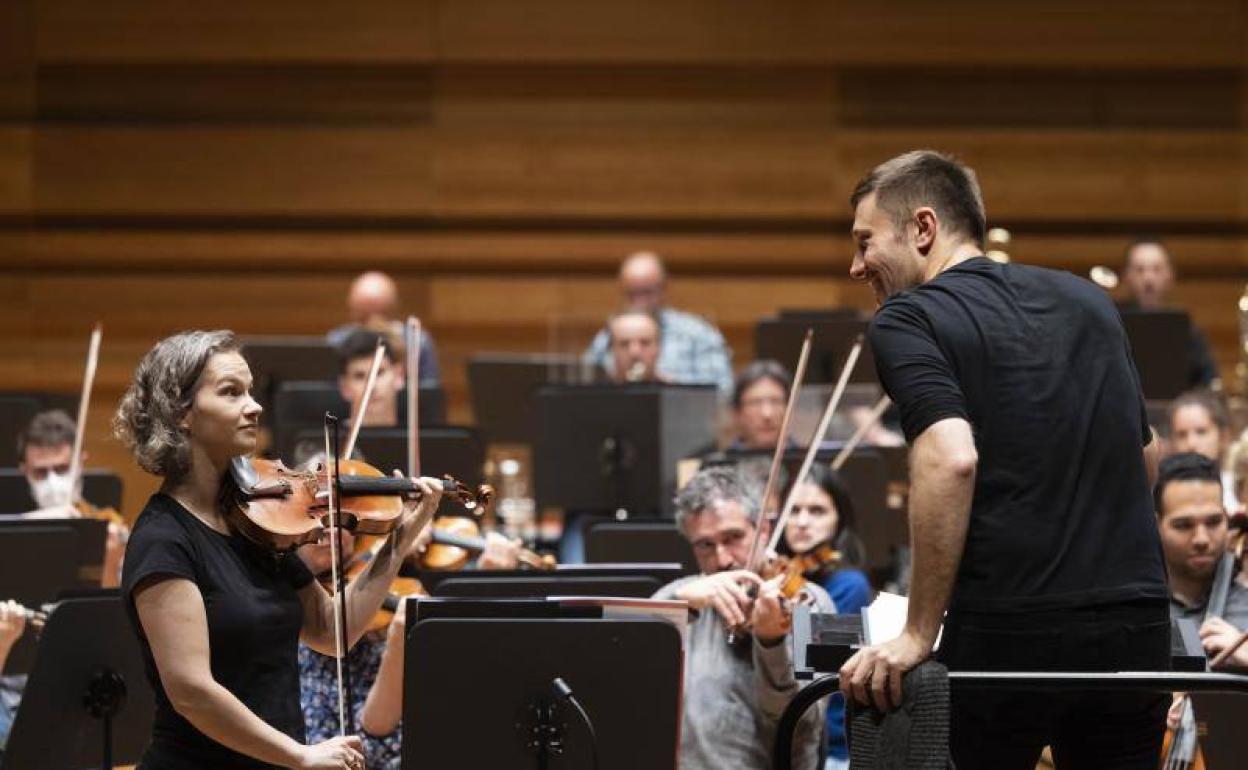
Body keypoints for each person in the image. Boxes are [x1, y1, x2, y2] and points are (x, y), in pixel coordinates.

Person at [839, 150, 1169, 768]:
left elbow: (951, 458)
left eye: (865, 241)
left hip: (1010, 627)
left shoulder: (908, 317)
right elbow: (1145, 456)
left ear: (923, 229)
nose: (857, 266)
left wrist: (916, 633)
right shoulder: (1088, 301)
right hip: (1136, 622)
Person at [114, 329, 442, 770]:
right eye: (232, 392)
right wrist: (300, 756)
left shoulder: (257, 521)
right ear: (182, 414)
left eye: (250, 390)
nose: (254, 405)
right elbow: (192, 691)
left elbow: (332, 630)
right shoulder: (163, 540)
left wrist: (398, 539)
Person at [652, 466, 831, 770]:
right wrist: (681, 604)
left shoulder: (816, 602)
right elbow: (626, 658)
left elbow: (805, 724)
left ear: (763, 530)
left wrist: (771, 642)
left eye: (733, 537)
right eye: (705, 545)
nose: (722, 559)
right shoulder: (679, 595)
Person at [297, 526, 520, 770]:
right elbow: (362, 751)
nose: (330, 530)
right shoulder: (306, 618)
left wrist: (485, 587)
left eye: (342, 517)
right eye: (313, 516)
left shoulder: (390, 560)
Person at [779, 465, 870, 770]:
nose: (802, 522)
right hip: (789, 735)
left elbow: (817, 679)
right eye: (793, 511)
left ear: (838, 520)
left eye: (817, 511)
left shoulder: (848, 586)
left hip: (829, 748)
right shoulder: (782, 574)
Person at [583, 251, 733, 395]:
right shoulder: (607, 337)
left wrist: (669, 389)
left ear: (664, 289)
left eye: (646, 292)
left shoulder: (698, 335)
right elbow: (584, 390)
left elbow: (723, 395)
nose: (639, 302)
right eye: (632, 293)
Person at [13, 409, 127, 588]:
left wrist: (112, 558)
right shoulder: (11, 529)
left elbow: (113, 605)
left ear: (81, 462)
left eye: (62, 469)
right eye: (40, 472)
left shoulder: (107, 524)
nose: (52, 481)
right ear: (25, 470)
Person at [1155, 453, 1248, 668]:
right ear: (1156, 525)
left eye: (1214, 522)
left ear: (1226, 517)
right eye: (1183, 525)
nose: (1201, 539)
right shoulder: (1136, 614)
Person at [1119, 237, 1220, 389]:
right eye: (1140, 270)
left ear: (1170, 275)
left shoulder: (1187, 329)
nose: (1148, 278)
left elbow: (1209, 380)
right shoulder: (1113, 325)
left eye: (1157, 269)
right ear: (1126, 276)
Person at [327, 271, 440, 388]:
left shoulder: (417, 342)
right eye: (364, 317)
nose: (373, 325)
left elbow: (429, 394)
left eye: (381, 314)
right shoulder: (338, 341)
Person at [1168, 389, 1239, 513]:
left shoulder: (1239, 490)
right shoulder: (1161, 492)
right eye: (1181, 434)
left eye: (1201, 432)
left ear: (1223, 437)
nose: (1191, 444)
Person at [729, 360, 792, 451]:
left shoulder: (811, 462)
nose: (767, 414)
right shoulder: (718, 464)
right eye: (755, 403)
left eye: (775, 402)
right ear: (737, 413)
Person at [604, 308, 662, 384]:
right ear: (612, 349)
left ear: (659, 348)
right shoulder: (592, 393)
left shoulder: (676, 394)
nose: (634, 352)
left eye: (644, 343)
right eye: (624, 344)